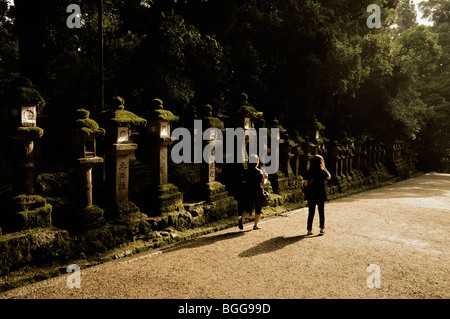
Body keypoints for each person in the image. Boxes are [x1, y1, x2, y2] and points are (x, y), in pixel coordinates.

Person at [303, 154, 331, 235]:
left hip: (311, 194)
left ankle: (309, 230)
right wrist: (324, 167)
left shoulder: (308, 171)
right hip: (320, 193)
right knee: (321, 211)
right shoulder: (322, 172)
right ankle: (322, 228)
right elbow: (329, 177)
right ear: (320, 162)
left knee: (311, 212)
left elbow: (305, 184)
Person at [238, 154, 268, 230]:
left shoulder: (246, 171)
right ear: (256, 162)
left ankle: (242, 219)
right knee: (258, 209)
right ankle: (255, 225)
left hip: (248, 192)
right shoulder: (259, 172)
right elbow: (262, 183)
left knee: (248, 209)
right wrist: (266, 178)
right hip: (258, 192)